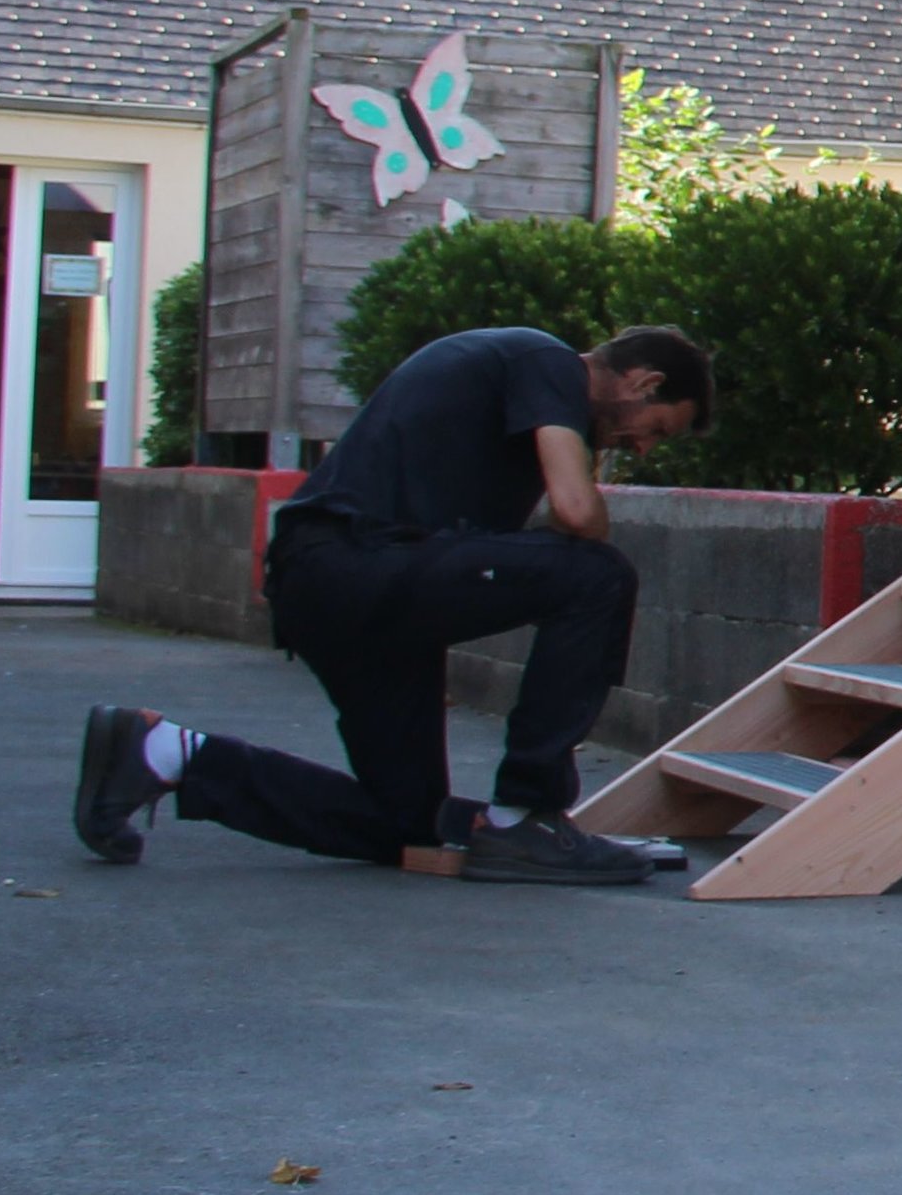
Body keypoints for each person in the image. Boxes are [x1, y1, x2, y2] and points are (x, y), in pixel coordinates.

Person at [70, 325, 716, 886]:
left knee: (407, 823)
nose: (642, 448)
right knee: (599, 575)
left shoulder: (520, 387)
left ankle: (165, 752)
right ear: (642, 380)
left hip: (346, 587)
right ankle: (527, 815)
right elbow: (576, 514)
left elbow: (541, 526)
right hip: (350, 562)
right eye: (655, 428)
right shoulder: (547, 362)